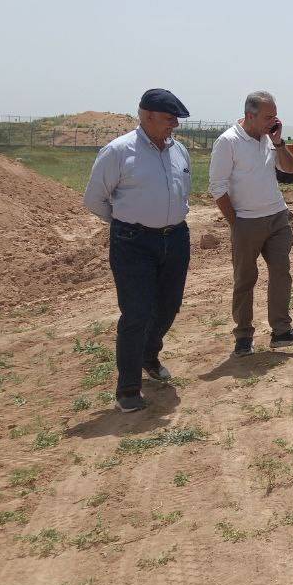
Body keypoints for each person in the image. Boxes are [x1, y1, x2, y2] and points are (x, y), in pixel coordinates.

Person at [82, 89, 192, 413]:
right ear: (147, 116)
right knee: (137, 312)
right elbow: (94, 199)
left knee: (169, 305)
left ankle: (148, 355)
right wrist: (127, 223)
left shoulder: (179, 151)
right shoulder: (118, 151)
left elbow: (183, 192)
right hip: (133, 243)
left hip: (176, 239)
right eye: (169, 118)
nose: (175, 124)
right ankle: (128, 388)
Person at [208, 91, 293, 356]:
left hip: (277, 217)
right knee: (245, 279)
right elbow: (217, 187)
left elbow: (289, 168)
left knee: (281, 274)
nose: (273, 121)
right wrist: (236, 223)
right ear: (249, 116)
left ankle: (281, 331)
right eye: (268, 117)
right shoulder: (228, 142)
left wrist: (279, 143)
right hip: (246, 222)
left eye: (275, 116)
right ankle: (243, 336)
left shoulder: (268, 139)